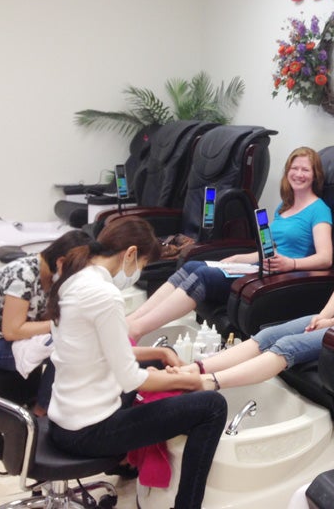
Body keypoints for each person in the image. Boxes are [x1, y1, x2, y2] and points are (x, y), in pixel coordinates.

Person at [173, 177, 334, 391]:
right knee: (268, 335)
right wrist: (324, 316)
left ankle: (207, 382)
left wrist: (333, 322)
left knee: (288, 346)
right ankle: (194, 369)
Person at [46, 216, 226, 509]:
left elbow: (100, 352)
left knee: (156, 364)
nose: (138, 272)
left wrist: (162, 354)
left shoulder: (75, 278)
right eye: (142, 264)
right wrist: (193, 380)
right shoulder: (104, 295)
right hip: (88, 432)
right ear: (130, 253)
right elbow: (131, 379)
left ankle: (130, 465)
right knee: (212, 406)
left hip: (64, 419)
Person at [127, 146, 333, 341]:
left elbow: (326, 258)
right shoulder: (284, 206)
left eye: (305, 169)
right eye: (294, 168)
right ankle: (133, 319)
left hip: (282, 277)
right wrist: (238, 258)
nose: (298, 174)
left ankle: (138, 330)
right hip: (262, 267)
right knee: (191, 266)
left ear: (315, 175)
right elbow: (270, 249)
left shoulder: (319, 210)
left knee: (203, 275)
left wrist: (291, 264)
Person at [0, 229, 92, 414]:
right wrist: (60, 325)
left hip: (12, 339)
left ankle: (57, 403)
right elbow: (12, 331)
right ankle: (40, 412)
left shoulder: (50, 275)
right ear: (61, 262)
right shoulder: (23, 275)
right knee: (64, 348)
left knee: (75, 340)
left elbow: (43, 316)